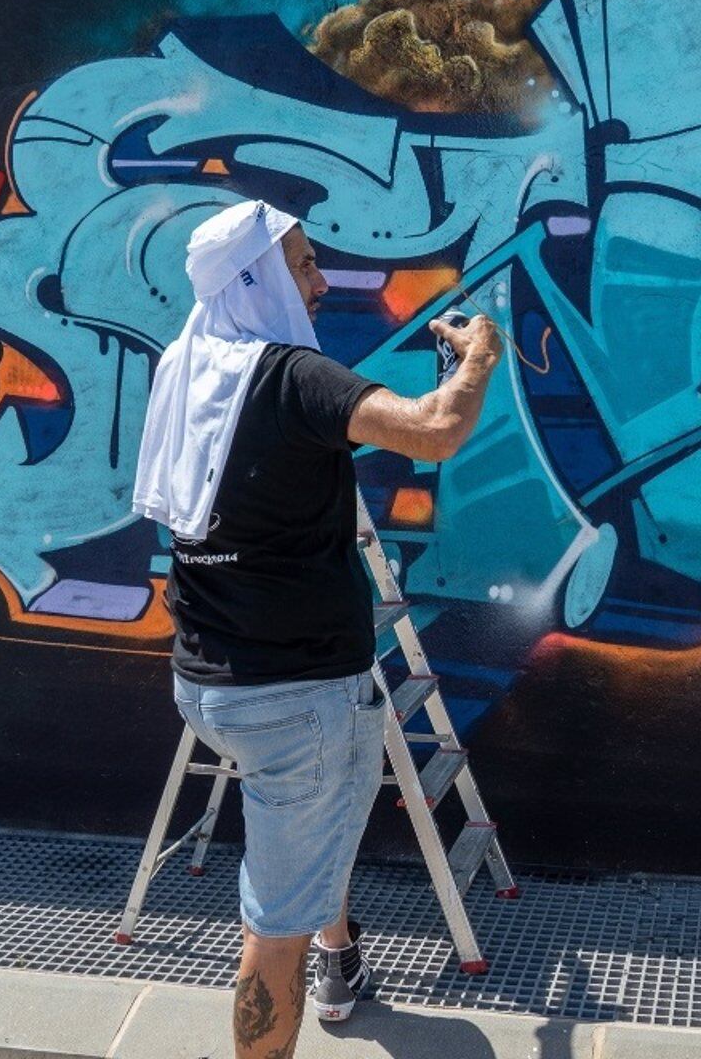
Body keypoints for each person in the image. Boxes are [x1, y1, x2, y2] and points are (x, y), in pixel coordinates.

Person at [132, 199, 501, 1059]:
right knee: (275, 924)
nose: (321, 279)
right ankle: (304, 969)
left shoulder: (186, 366)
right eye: (300, 262)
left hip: (211, 683)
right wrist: (478, 358)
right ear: (257, 278)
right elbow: (436, 428)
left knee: (304, 826)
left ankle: (339, 954)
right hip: (297, 694)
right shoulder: (294, 376)